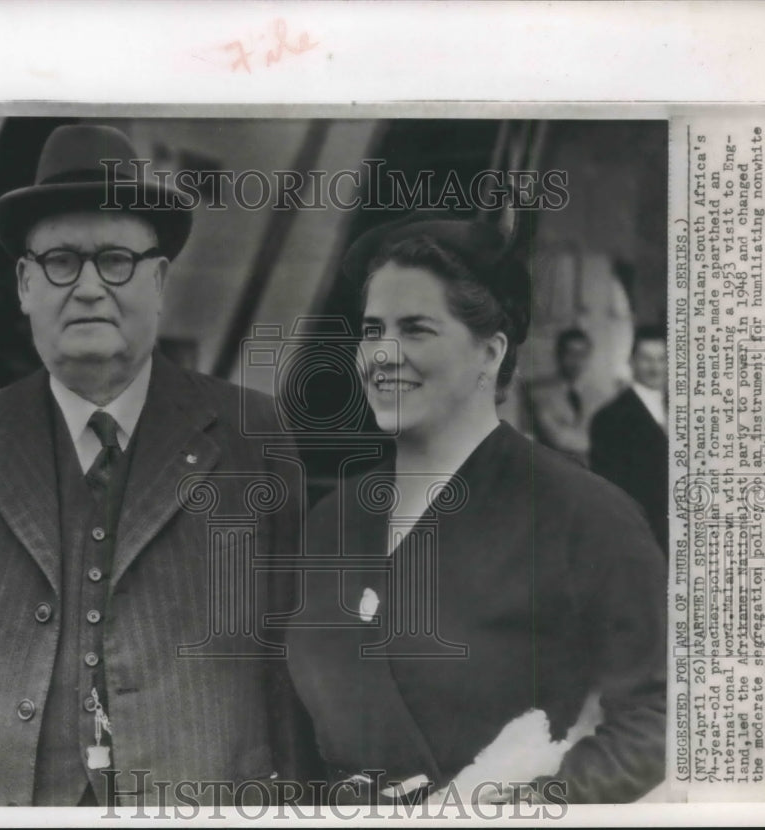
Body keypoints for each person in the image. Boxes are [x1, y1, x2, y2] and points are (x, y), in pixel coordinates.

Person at [0, 124, 313, 806]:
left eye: (117, 260)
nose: (90, 287)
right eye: (61, 261)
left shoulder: (254, 436)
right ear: (25, 284)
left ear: (159, 281)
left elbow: (293, 669)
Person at [285, 215, 666, 804]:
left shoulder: (584, 514)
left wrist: (532, 804)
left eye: (416, 330)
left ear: (490, 352)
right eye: (372, 330)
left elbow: (660, 716)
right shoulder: (334, 517)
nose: (382, 355)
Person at [590, 325, 669, 554]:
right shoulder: (611, 417)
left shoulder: (685, 408)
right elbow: (611, 491)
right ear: (631, 362)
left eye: (661, 359)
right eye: (646, 359)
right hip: (642, 537)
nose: (655, 367)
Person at [529, 328, 606, 465]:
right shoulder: (539, 394)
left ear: (589, 357)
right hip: (553, 468)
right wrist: (598, 443)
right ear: (559, 355)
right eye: (570, 353)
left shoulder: (599, 397)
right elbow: (557, 438)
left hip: (591, 470)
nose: (576, 360)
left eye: (582, 354)